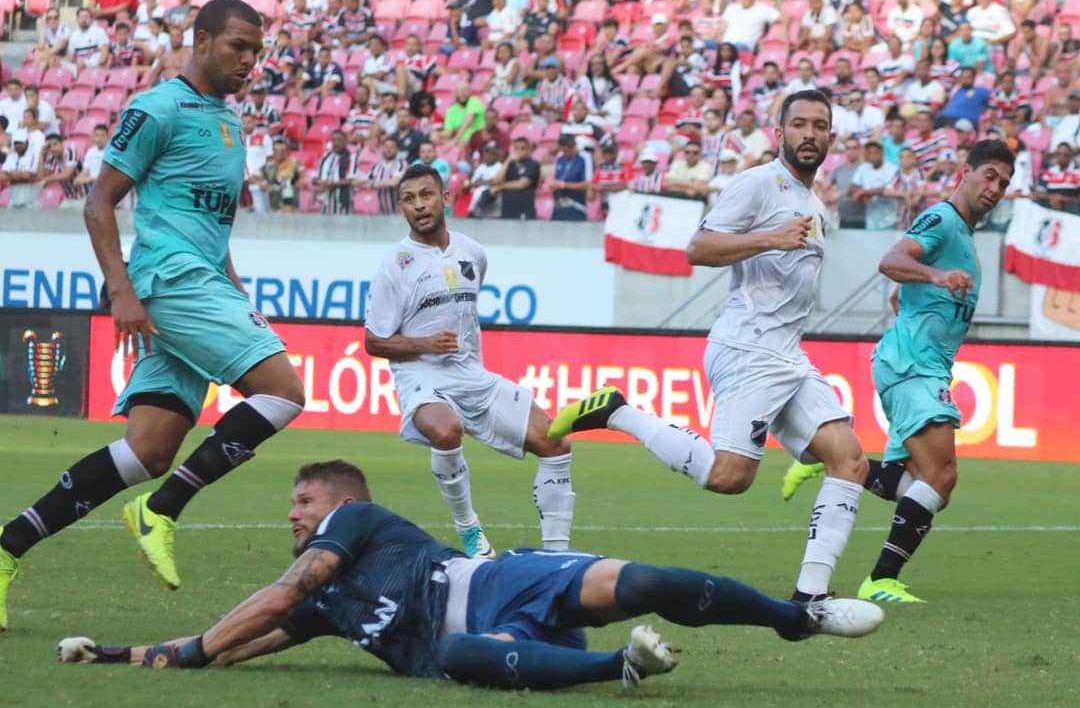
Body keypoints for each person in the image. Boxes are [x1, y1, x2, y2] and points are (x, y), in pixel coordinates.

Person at [0, 0, 307, 631]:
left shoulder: (229, 120)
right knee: (283, 391)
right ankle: (161, 510)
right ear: (201, 41)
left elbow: (212, 228)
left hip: (202, 280)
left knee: (148, 449)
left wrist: (236, 289)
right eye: (237, 47)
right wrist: (121, 291)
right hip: (168, 281)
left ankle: (6, 550)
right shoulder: (157, 107)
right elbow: (99, 203)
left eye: (256, 50)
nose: (249, 60)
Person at [56, 460, 884, 687]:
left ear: (341, 500)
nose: (293, 514)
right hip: (480, 643)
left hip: (495, 584)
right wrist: (125, 654)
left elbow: (278, 596)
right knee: (455, 659)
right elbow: (243, 641)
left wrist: (199, 649)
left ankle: (792, 615)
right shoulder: (327, 606)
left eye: (302, 500)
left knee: (647, 583)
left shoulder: (355, 522)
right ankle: (619, 667)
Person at [548, 91, 872, 607]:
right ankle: (619, 412)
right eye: (800, 125)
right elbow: (698, 248)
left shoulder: (814, 203)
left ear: (831, 137)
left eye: (820, 126)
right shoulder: (758, 184)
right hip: (748, 349)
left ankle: (810, 597)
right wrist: (770, 238)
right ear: (779, 132)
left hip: (788, 353)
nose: (809, 134)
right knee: (728, 478)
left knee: (849, 460)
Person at [780, 140, 1015, 603]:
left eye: (1004, 183)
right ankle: (881, 579)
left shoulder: (963, 234)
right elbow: (891, 260)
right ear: (964, 172)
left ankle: (826, 458)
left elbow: (901, 288)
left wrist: (916, 295)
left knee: (916, 484)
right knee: (941, 476)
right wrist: (935, 277)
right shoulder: (943, 219)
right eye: (988, 175)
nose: (995, 188)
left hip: (920, 364)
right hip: (915, 365)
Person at [363, 165, 577, 558]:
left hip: (472, 374)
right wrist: (424, 342)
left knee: (556, 443)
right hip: (421, 377)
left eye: (427, 195)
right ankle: (470, 530)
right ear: (401, 209)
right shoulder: (394, 266)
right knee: (446, 430)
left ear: (446, 198)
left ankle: (556, 556)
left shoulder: (472, 252)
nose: (419, 206)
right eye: (409, 200)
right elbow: (373, 342)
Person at [493, 136, 540, 219]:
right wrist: (507, 161)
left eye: (523, 148)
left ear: (529, 150)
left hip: (525, 209)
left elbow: (522, 184)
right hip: (508, 208)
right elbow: (496, 181)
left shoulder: (533, 164)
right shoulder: (510, 164)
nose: (520, 151)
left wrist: (500, 187)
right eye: (517, 148)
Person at [312, 129, 356, 215]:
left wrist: (331, 184)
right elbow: (315, 177)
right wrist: (319, 182)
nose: (336, 143)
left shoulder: (351, 158)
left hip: (342, 202)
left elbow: (351, 180)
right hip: (324, 202)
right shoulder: (326, 157)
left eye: (339, 140)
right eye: (333, 140)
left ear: (345, 141)